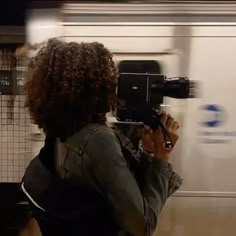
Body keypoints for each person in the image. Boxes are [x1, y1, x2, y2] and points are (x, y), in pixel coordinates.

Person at [21, 38, 182, 236]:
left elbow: (102, 193)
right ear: (95, 85)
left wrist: (146, 150)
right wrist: (162, 155)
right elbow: (142, 225)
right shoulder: (98, 140)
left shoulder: (60, 134)